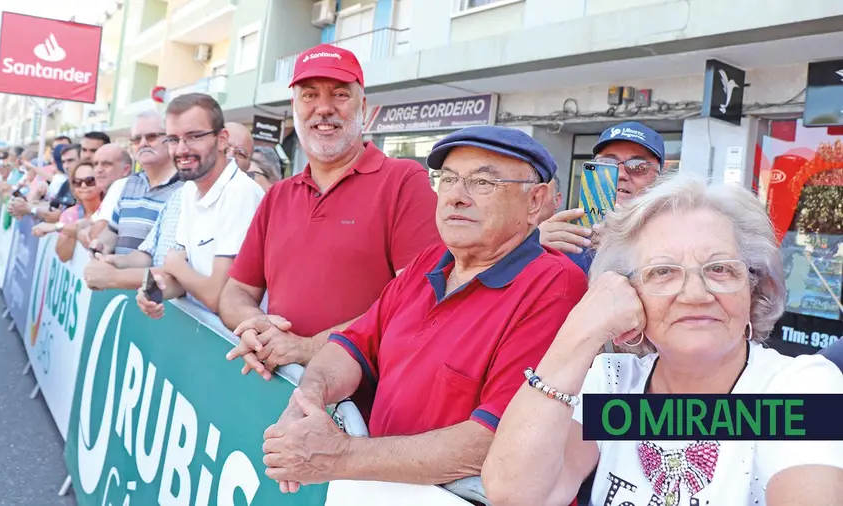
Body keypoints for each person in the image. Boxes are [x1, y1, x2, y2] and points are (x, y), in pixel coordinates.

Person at [256, 126, 586, 494]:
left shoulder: (554, 286)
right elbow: (352, 345)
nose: (456, 197)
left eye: (482, 183)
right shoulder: (430, 262)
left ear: (536, 202)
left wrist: (340, 456)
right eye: (447, 179)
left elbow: (495, 439)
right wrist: (307, 400)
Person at [482, 174, 843, 506]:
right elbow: (516, 496)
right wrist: (580, 331)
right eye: (663, 272)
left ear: (753, 287)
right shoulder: (613, 385)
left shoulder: (800, 387)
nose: (696, 294)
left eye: (720, 268)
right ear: (627, 292)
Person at [220, 43, 440, 381]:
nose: (323, 108)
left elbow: (417, 300)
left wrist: (308, 347)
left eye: (339, 94)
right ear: (294, 107)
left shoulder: (404, 182)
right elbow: (236, 292)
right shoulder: (278, 195)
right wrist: (256, 327)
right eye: (309, 95)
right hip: (281, 389)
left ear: (362, 107)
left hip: (361, 409)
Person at [135, 94, 264, 317]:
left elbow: (220, 298)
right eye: (173, 139)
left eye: (194, 136)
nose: (181, 149)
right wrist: (154, 292)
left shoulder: (241, 193)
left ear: (222, 139)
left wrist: (176, 267)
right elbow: (182, 280)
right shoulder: (189, 189)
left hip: (236, 344)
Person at [539, 121, 664, 273]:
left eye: (638, 166)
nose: (621, 174)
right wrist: (529, 249)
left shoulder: (676, 238)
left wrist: (624, 250)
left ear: (659, 179)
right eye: (607, 163)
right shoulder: (567, 240)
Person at [85, 112, 181, 290]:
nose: (143, 143)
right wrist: (102, 245)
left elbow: (166, 260)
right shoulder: (130, 183)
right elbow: (112, 230)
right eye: (137, 139)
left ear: (170, 139)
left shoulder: (184, 189)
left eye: (151, 137)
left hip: (159, 297)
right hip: (121, 290)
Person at [31, 161, 103, 262]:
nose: (83, 185)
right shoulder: (71, 213)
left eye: (90, 181)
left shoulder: (109, 207)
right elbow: (63, 256)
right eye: (77, 182)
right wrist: (74, 230)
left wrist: (57, 227)